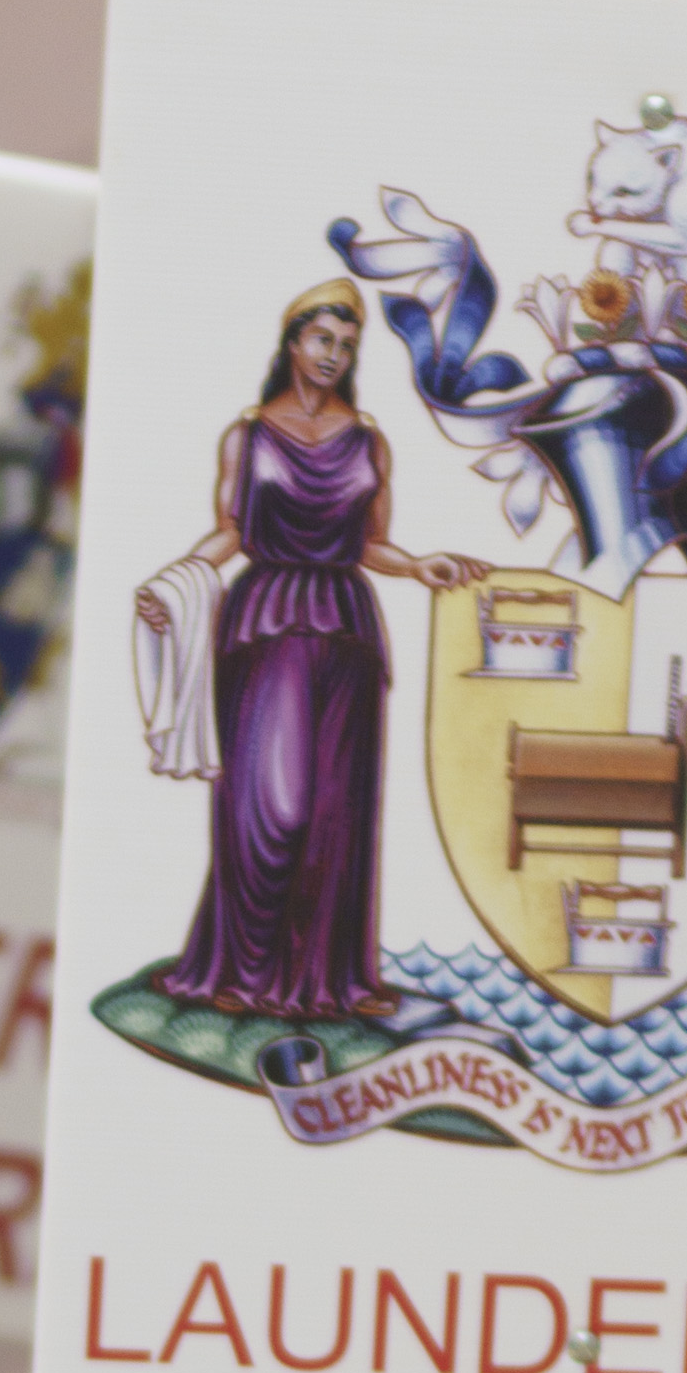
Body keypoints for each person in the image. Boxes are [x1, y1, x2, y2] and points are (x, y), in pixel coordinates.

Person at [145, 286, 472, 1030]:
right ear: (292, 342)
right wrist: (180, 579)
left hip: (345, 631)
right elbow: (227, 530)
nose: (332, 355)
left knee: (333, 814)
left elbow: (369, 542)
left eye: (346, 346)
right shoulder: (248, 435)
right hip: (265, 624)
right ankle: (240, 966)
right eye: (321, 339)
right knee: (271, 804)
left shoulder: (369, 438)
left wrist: (421, 565)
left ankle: (320, 982)